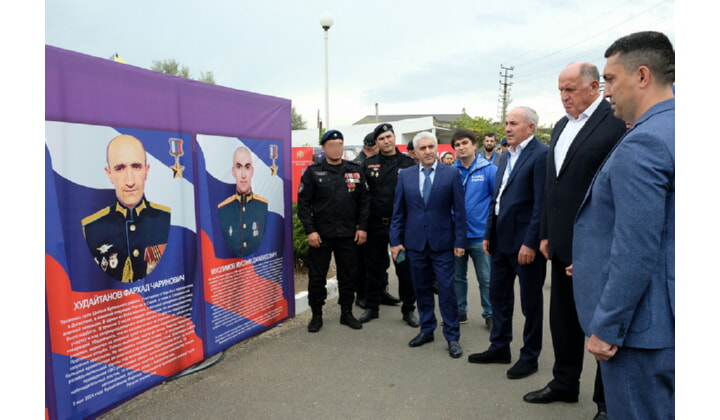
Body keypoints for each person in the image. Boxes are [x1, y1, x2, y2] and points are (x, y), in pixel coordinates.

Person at [571, 31, 675, 419]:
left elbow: (637, 248)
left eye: (611, 80)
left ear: (642, 75)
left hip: (642, 332)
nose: (607, 92)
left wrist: (608, 327)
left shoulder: (644, 142)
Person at [521, 62, 626, 420]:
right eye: (560, 91)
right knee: (563, 320)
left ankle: (605, 403)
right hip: (561, 244)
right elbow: (553, 186)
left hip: (596, 248)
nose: (564, 97)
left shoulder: (615, 123)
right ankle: (564, 382)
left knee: (601, 327)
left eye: (571, 89)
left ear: (594, 87)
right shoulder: (562, 126)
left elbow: (615, 193)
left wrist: (599, 251)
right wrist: (546, 232)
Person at [467, 106, 547, 380]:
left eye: (513, 123)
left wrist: (531, 242)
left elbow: (541, 204)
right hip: (500, 241)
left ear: (531, 127)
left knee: (530, 304)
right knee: (499, 297)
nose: (507, 128)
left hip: (525, 245)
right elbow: (497, 198)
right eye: (506, 123)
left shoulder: (541, 155)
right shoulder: (504, 156)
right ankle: (499, 347)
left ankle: (529, 356)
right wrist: (488, 234)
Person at [389, 131, 466, 359]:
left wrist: (460, 240)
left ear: (437, 148)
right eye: (422, 148)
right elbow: (398, 212)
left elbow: (460, 211)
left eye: (431, 146)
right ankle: (427, 329)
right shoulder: (405, 176)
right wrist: (395, 241)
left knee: (446, 291)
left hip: (443, 243)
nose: (428, 151)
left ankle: (452, 336)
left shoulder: (451, 174)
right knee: (421, 289)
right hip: (415, 244)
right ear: (415, 152)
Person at [297, 129, 369, 333]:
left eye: (339, 145)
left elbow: (365, 201)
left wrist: (363, 227)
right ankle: (316, 315)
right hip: (321, 235)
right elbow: (304, 204)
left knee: (348, 276)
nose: (336, 149)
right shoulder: (313, 172)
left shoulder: (355, 170)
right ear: (324, 148)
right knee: (317, 277)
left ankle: (346, 312)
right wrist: (310, 231)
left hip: (347, 234)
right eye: (332, 145)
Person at [82, 134, 171, 283]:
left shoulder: (168, 220)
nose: (130, 181)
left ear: (146, 171)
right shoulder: (91, 228)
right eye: (120, 168)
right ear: (109, 173)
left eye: (136, 167)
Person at [359, 123, 418, 327]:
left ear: (394, 137)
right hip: (376, 225)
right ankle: (372, 307)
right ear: (376, 142)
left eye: (388, 137)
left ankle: (408, 309)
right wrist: (361, 225)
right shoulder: (368, 164)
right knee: (374, 269)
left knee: (404, 268)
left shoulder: (409, 163)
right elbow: (363, 198)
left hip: (401, 227)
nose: (386, 141)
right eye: (381, 138)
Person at [450, 129, 496, 328]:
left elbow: (496, 201)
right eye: (457, 144)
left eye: (465, 143)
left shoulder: (489, 170)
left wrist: (491, 231)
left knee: (486, 278)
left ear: (474, 145)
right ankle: (460, 312)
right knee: (458, 278)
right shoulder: (451, 171)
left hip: (480, 235)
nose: (461, 147)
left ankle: (490, 313)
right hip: (457, 236)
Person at [217, 146, 268, 258]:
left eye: (247, 167)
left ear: (252, 171)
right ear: (233, 171)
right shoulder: (223, 209)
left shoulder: (263, 206)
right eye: (239, 167)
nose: (243, 175)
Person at [352, 132, 379, 308]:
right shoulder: (358, 165)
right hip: (363, 220)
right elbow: (356, 197)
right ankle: (361, 294)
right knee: (362, 261)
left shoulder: (376, 162)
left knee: (378, 259)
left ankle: (380, 291)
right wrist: (359, 223)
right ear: (374, 146)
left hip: (376, 218)